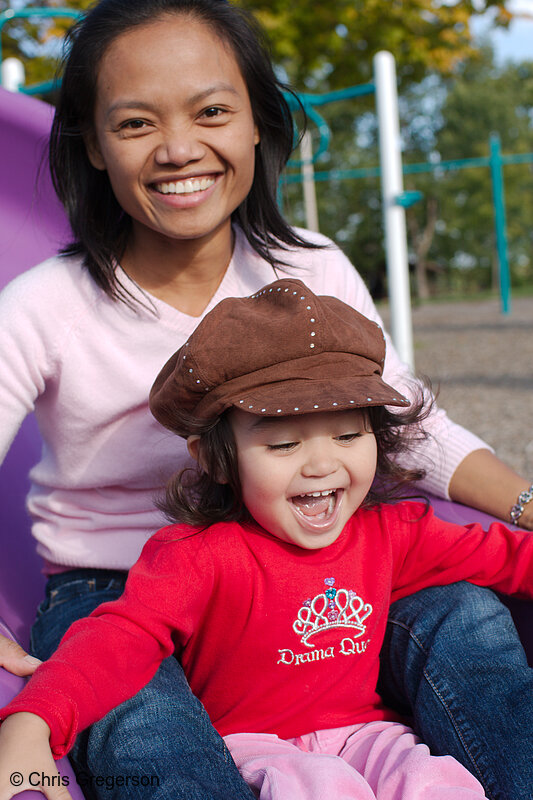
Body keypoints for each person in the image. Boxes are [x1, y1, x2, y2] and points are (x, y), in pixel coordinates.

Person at [0, 1, 531, 798]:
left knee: (468, 620)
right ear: (94, 145)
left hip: (307, 556)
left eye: (212, 111)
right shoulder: (45, 304)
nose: (180, 149)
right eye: (137, 123)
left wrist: (526, 503)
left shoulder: (309, 270)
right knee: (139, 723)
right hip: (113, 585)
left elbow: (409, 430)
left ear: (256, 122)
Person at [1, 279, 532, 800]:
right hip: (259, 750)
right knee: (326, 786)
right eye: (283, 443)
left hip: (368, 735)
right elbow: (117, 640)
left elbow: (503, 556)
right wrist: (33, 719)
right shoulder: (198, 557)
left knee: (438, 780)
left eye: (349, 435)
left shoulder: (392, 532)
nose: (324, 463)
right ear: (215, 459)